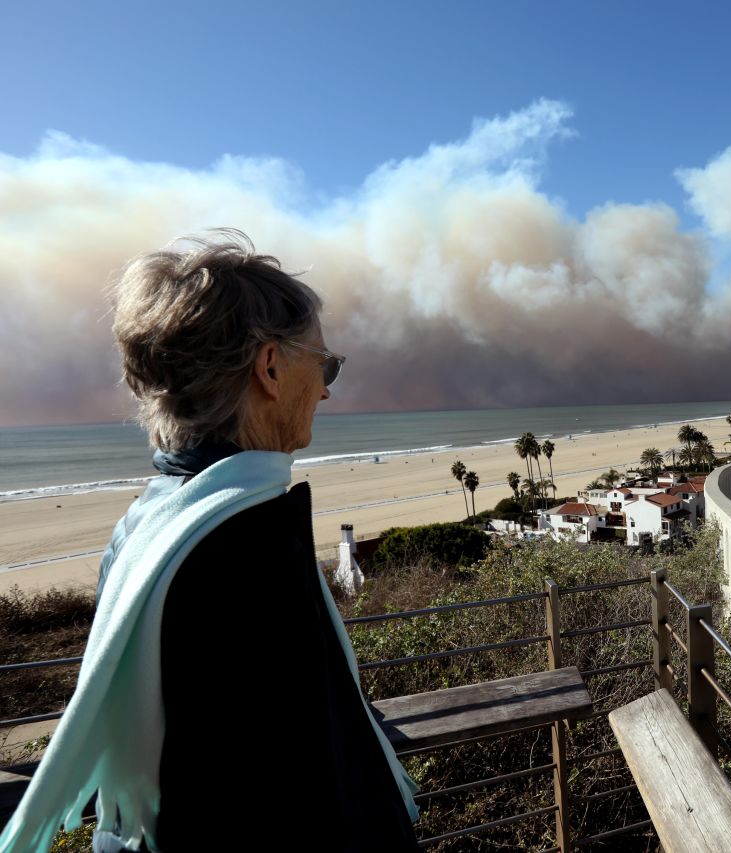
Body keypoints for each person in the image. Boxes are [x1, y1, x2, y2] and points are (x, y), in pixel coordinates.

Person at [1, 231, 420, 853]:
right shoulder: (244, 543)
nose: (328, 388)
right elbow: (294, 789)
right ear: (271, 368)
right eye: (323, 364)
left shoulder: (148, 525)